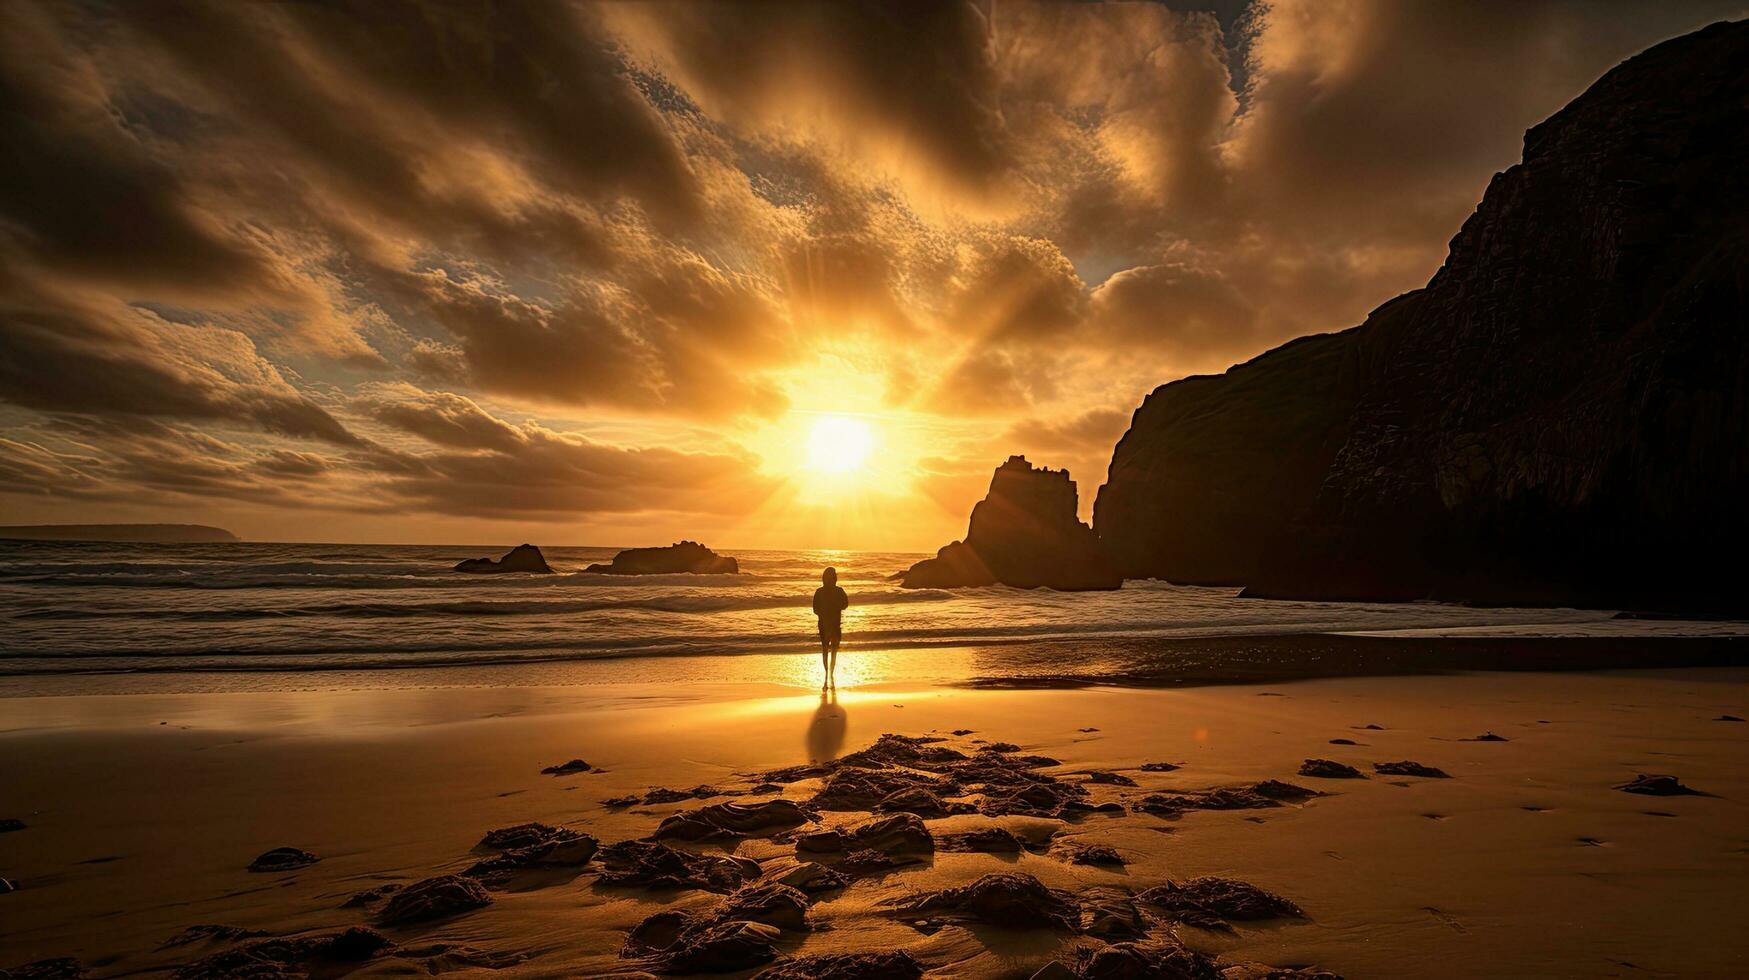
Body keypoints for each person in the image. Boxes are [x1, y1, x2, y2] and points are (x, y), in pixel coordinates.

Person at [811, 566, 849, 684]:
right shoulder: (820, 591)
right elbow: (815, 609)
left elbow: (845, 604)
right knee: (825, 649)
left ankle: (830, 674)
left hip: (835, 625)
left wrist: (830, 608)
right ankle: (827, 673)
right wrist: (827, 611)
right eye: (827, 577)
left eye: (831, 577)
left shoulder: (839, 591)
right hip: (824, 625)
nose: (829, 579)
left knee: (833, 651)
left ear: (834, 578)